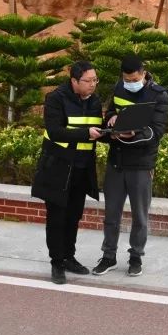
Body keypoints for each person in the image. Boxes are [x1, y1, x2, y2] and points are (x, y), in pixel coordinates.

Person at [92, 54, 168, 277]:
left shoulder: (159, 95)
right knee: (111, 215)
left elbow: (156, 132)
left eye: (134, 79)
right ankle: (108, 256)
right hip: (116, 162)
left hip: (141, 165)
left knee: (140, 216)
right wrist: (112, 120)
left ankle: (136, 257)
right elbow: (111, 112)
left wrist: (130, 135)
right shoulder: (119, 87)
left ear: (143, 74)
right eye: (126, 79)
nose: (130, 83)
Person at [31, 61, 104, 285]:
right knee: (57, 218)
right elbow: (55, 131)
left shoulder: (94, 101)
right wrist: (86, 134)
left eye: (95, 80)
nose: (92, 84)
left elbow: (97, 131)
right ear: (74, 81)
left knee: (73, 216)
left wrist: (114, 131)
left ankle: (69, 257)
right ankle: (57, 262)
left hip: (82, 168)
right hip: (58, 169)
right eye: (88, 81)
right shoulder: (56, 98)